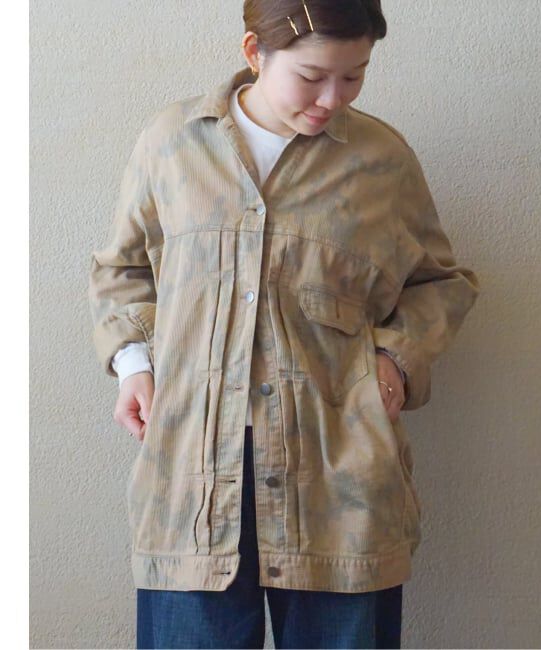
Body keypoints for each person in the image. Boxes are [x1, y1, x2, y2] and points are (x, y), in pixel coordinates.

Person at [88, 1, 481, 647]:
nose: (332, 98)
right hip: (192, 474)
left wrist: (394, 363)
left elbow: (438, 282)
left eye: (354, 76)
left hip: (336, 476)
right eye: (311, 76)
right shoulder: (173, 142)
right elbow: (122, 268)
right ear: (255, 52)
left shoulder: (380, 159)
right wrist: (134, 365)